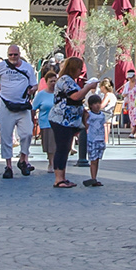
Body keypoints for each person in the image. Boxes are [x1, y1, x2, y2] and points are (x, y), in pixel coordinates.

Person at [38, 55, 86, 188]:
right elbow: (75, 96)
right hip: (61, 120)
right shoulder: (65, 80)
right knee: (62, 148)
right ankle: (58, 179)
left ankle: (62, 177)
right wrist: (88, 88)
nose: (81, 71)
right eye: (79, 68)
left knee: (64, 149)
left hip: (68, 121)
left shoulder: (69, 80)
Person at [0, 43, 38, 176]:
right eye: (10, 55)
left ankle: (23, 158)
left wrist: (31, 90)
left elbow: (34, 84)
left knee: (27, 133)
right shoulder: (2, 66)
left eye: (15, 54)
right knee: (6, 136)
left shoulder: (27, 67)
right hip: (6, 106)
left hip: (22, 106)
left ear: (19, 55)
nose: (13, 57)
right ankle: (8, 166)